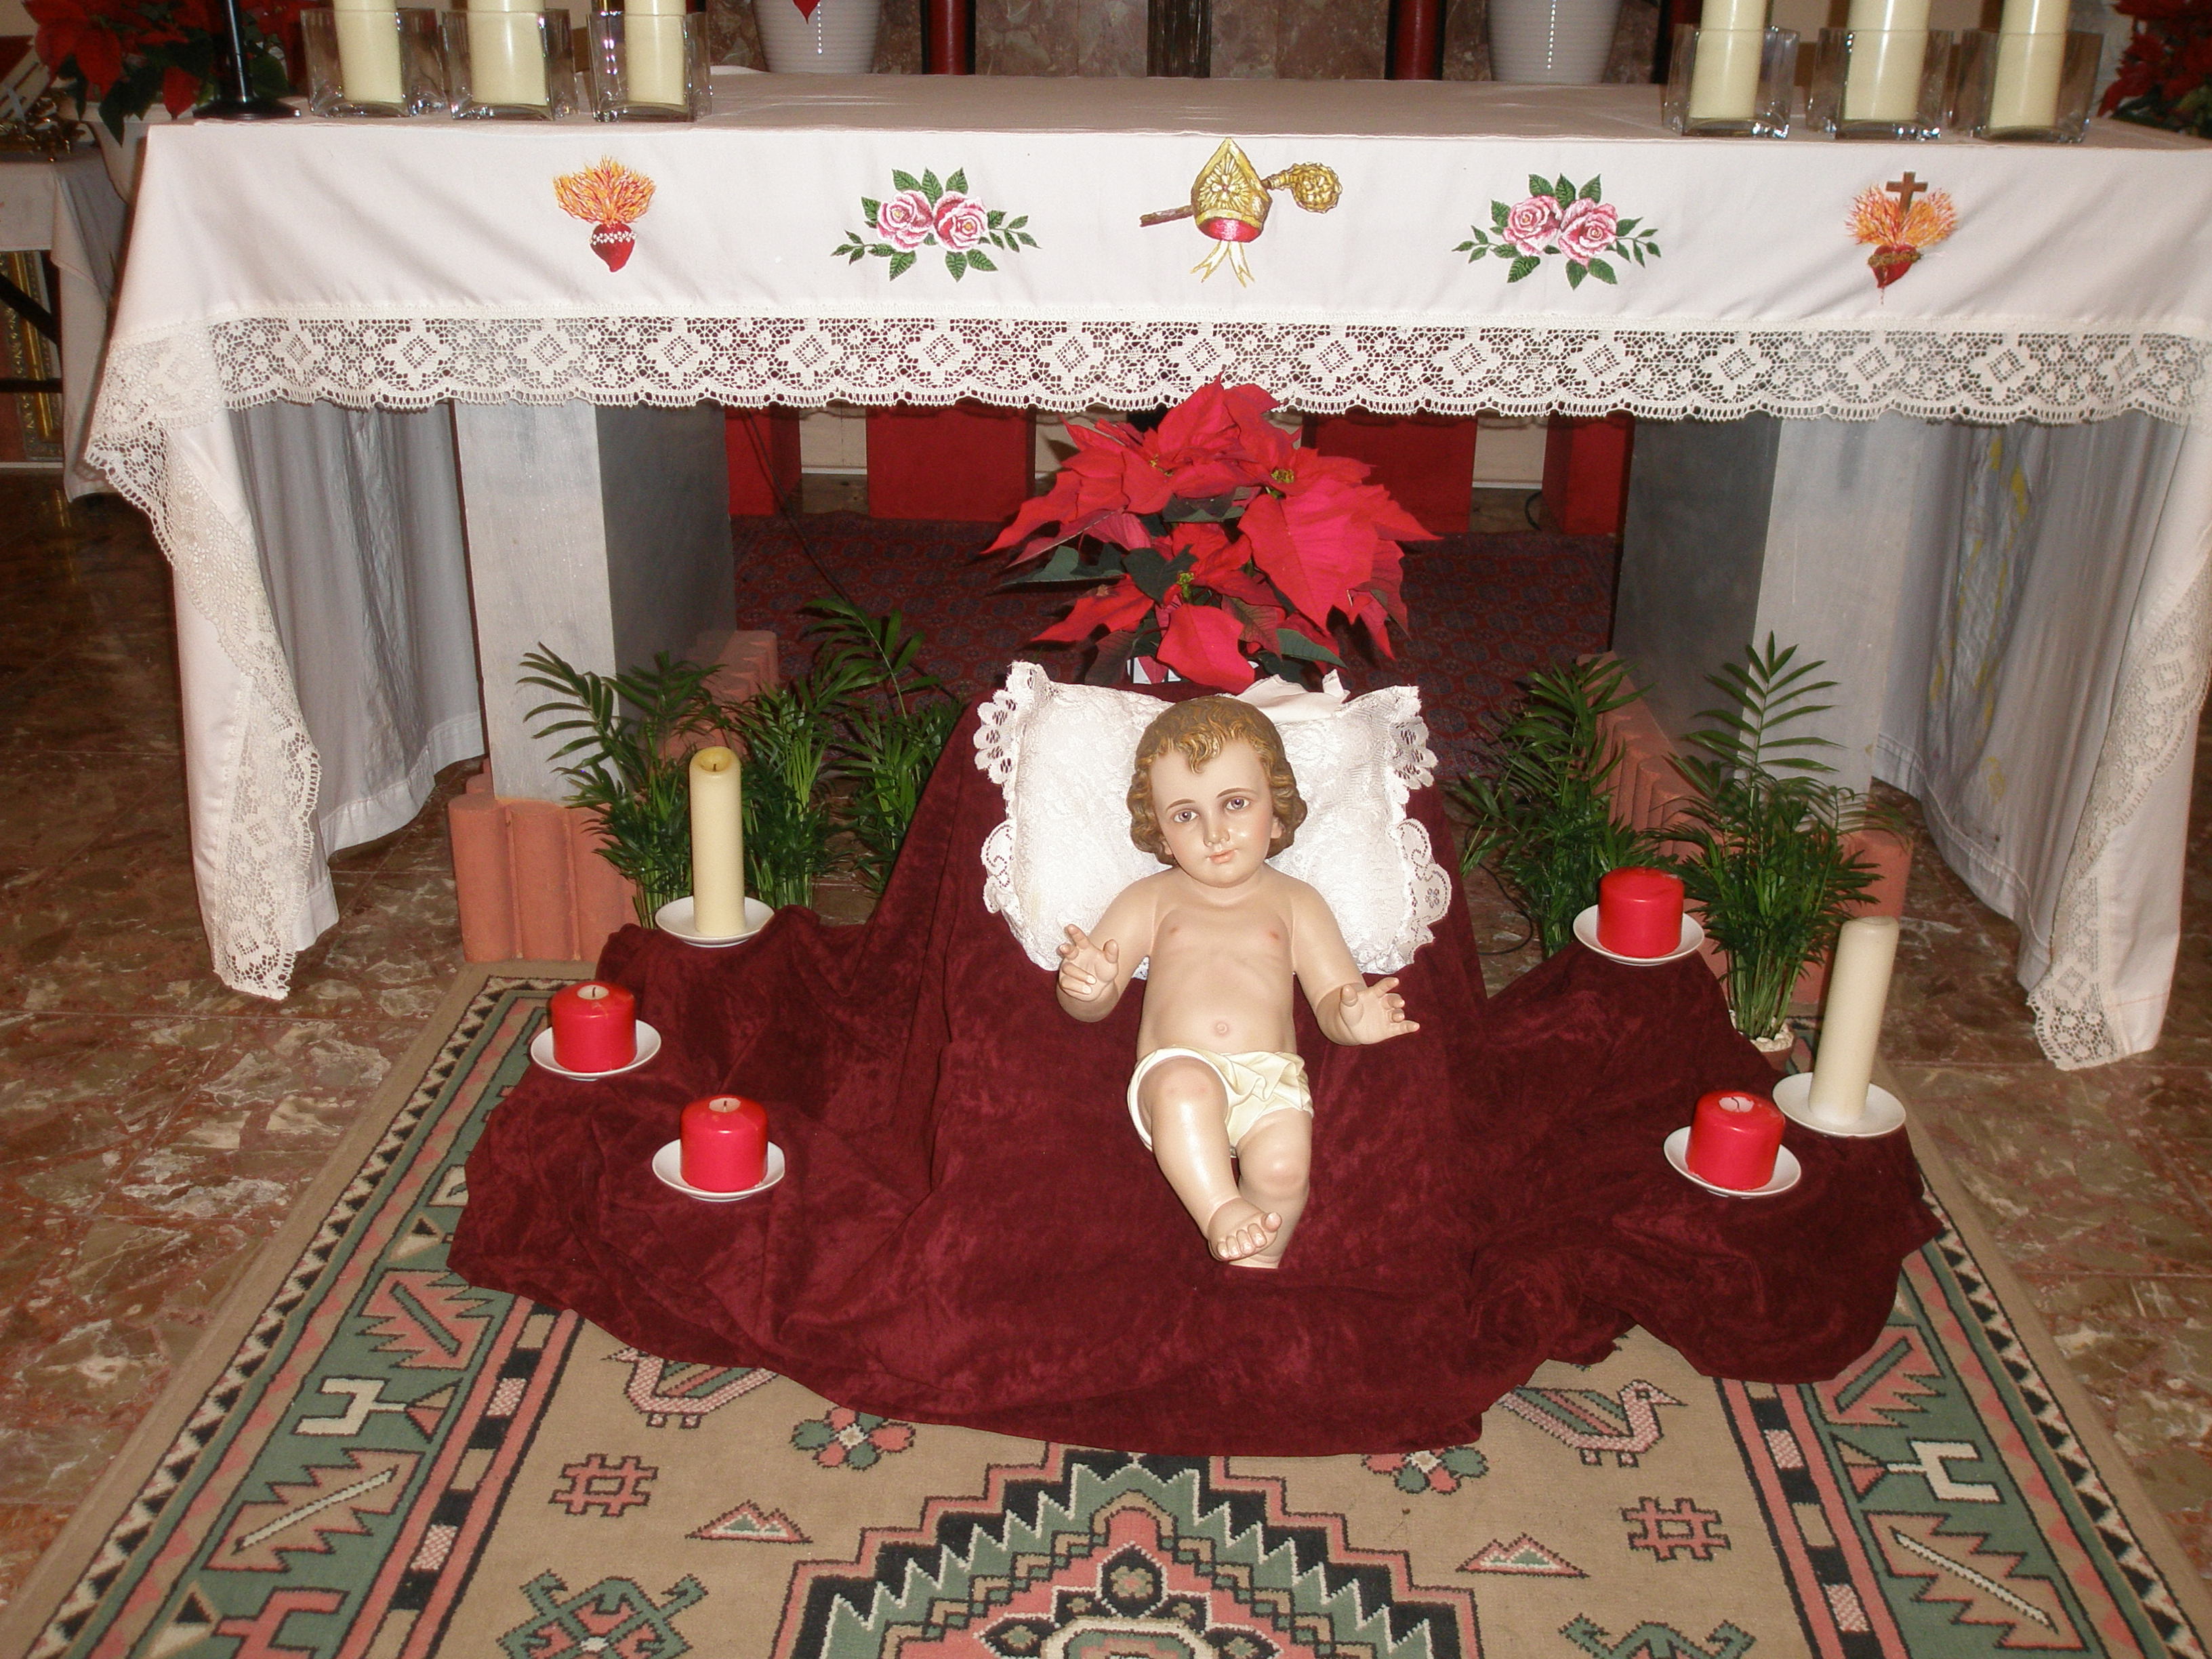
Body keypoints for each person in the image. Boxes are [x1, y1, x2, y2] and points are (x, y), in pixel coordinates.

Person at [1054, 697, 1419, 1268]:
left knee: (1283, 1170)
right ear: (1160, 833)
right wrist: (1086, 986)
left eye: (1236, 803)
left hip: (1272, 1078)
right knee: (1187, 1091)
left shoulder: (1298, 903)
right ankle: (1221, 1209)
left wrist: (1354, 1019)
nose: (1214, 832)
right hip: (1176, 1068)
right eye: (1185, 815)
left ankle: (1258, 1272)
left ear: (1277, 812)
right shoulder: (1151, 899)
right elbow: (1093, 1004)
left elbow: (1333, 996)